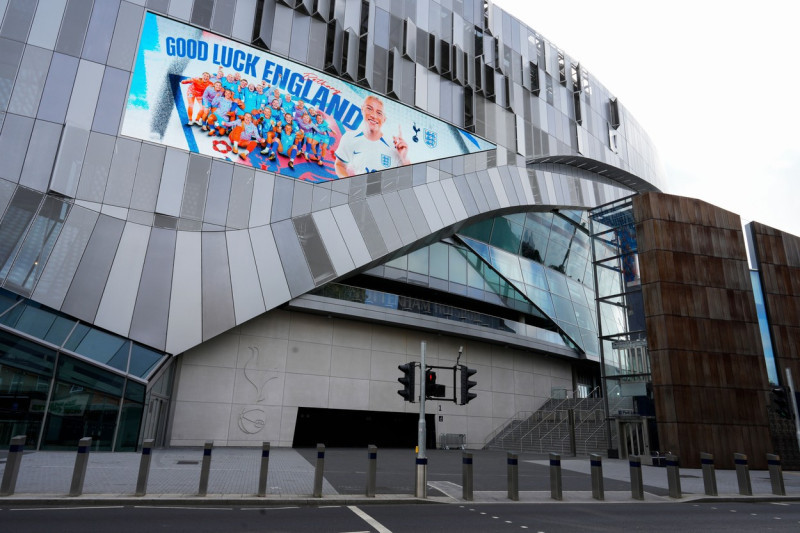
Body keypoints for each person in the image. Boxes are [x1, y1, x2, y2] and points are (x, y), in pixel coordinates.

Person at [335, 95, 410, 178]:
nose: (374, 116)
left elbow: (408, 177)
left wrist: (404, 158)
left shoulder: (394, 147)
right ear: (362, 109)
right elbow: (339, 165)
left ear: (384, 119)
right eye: (369, 109)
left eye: (379, 113)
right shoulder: (349, 138)